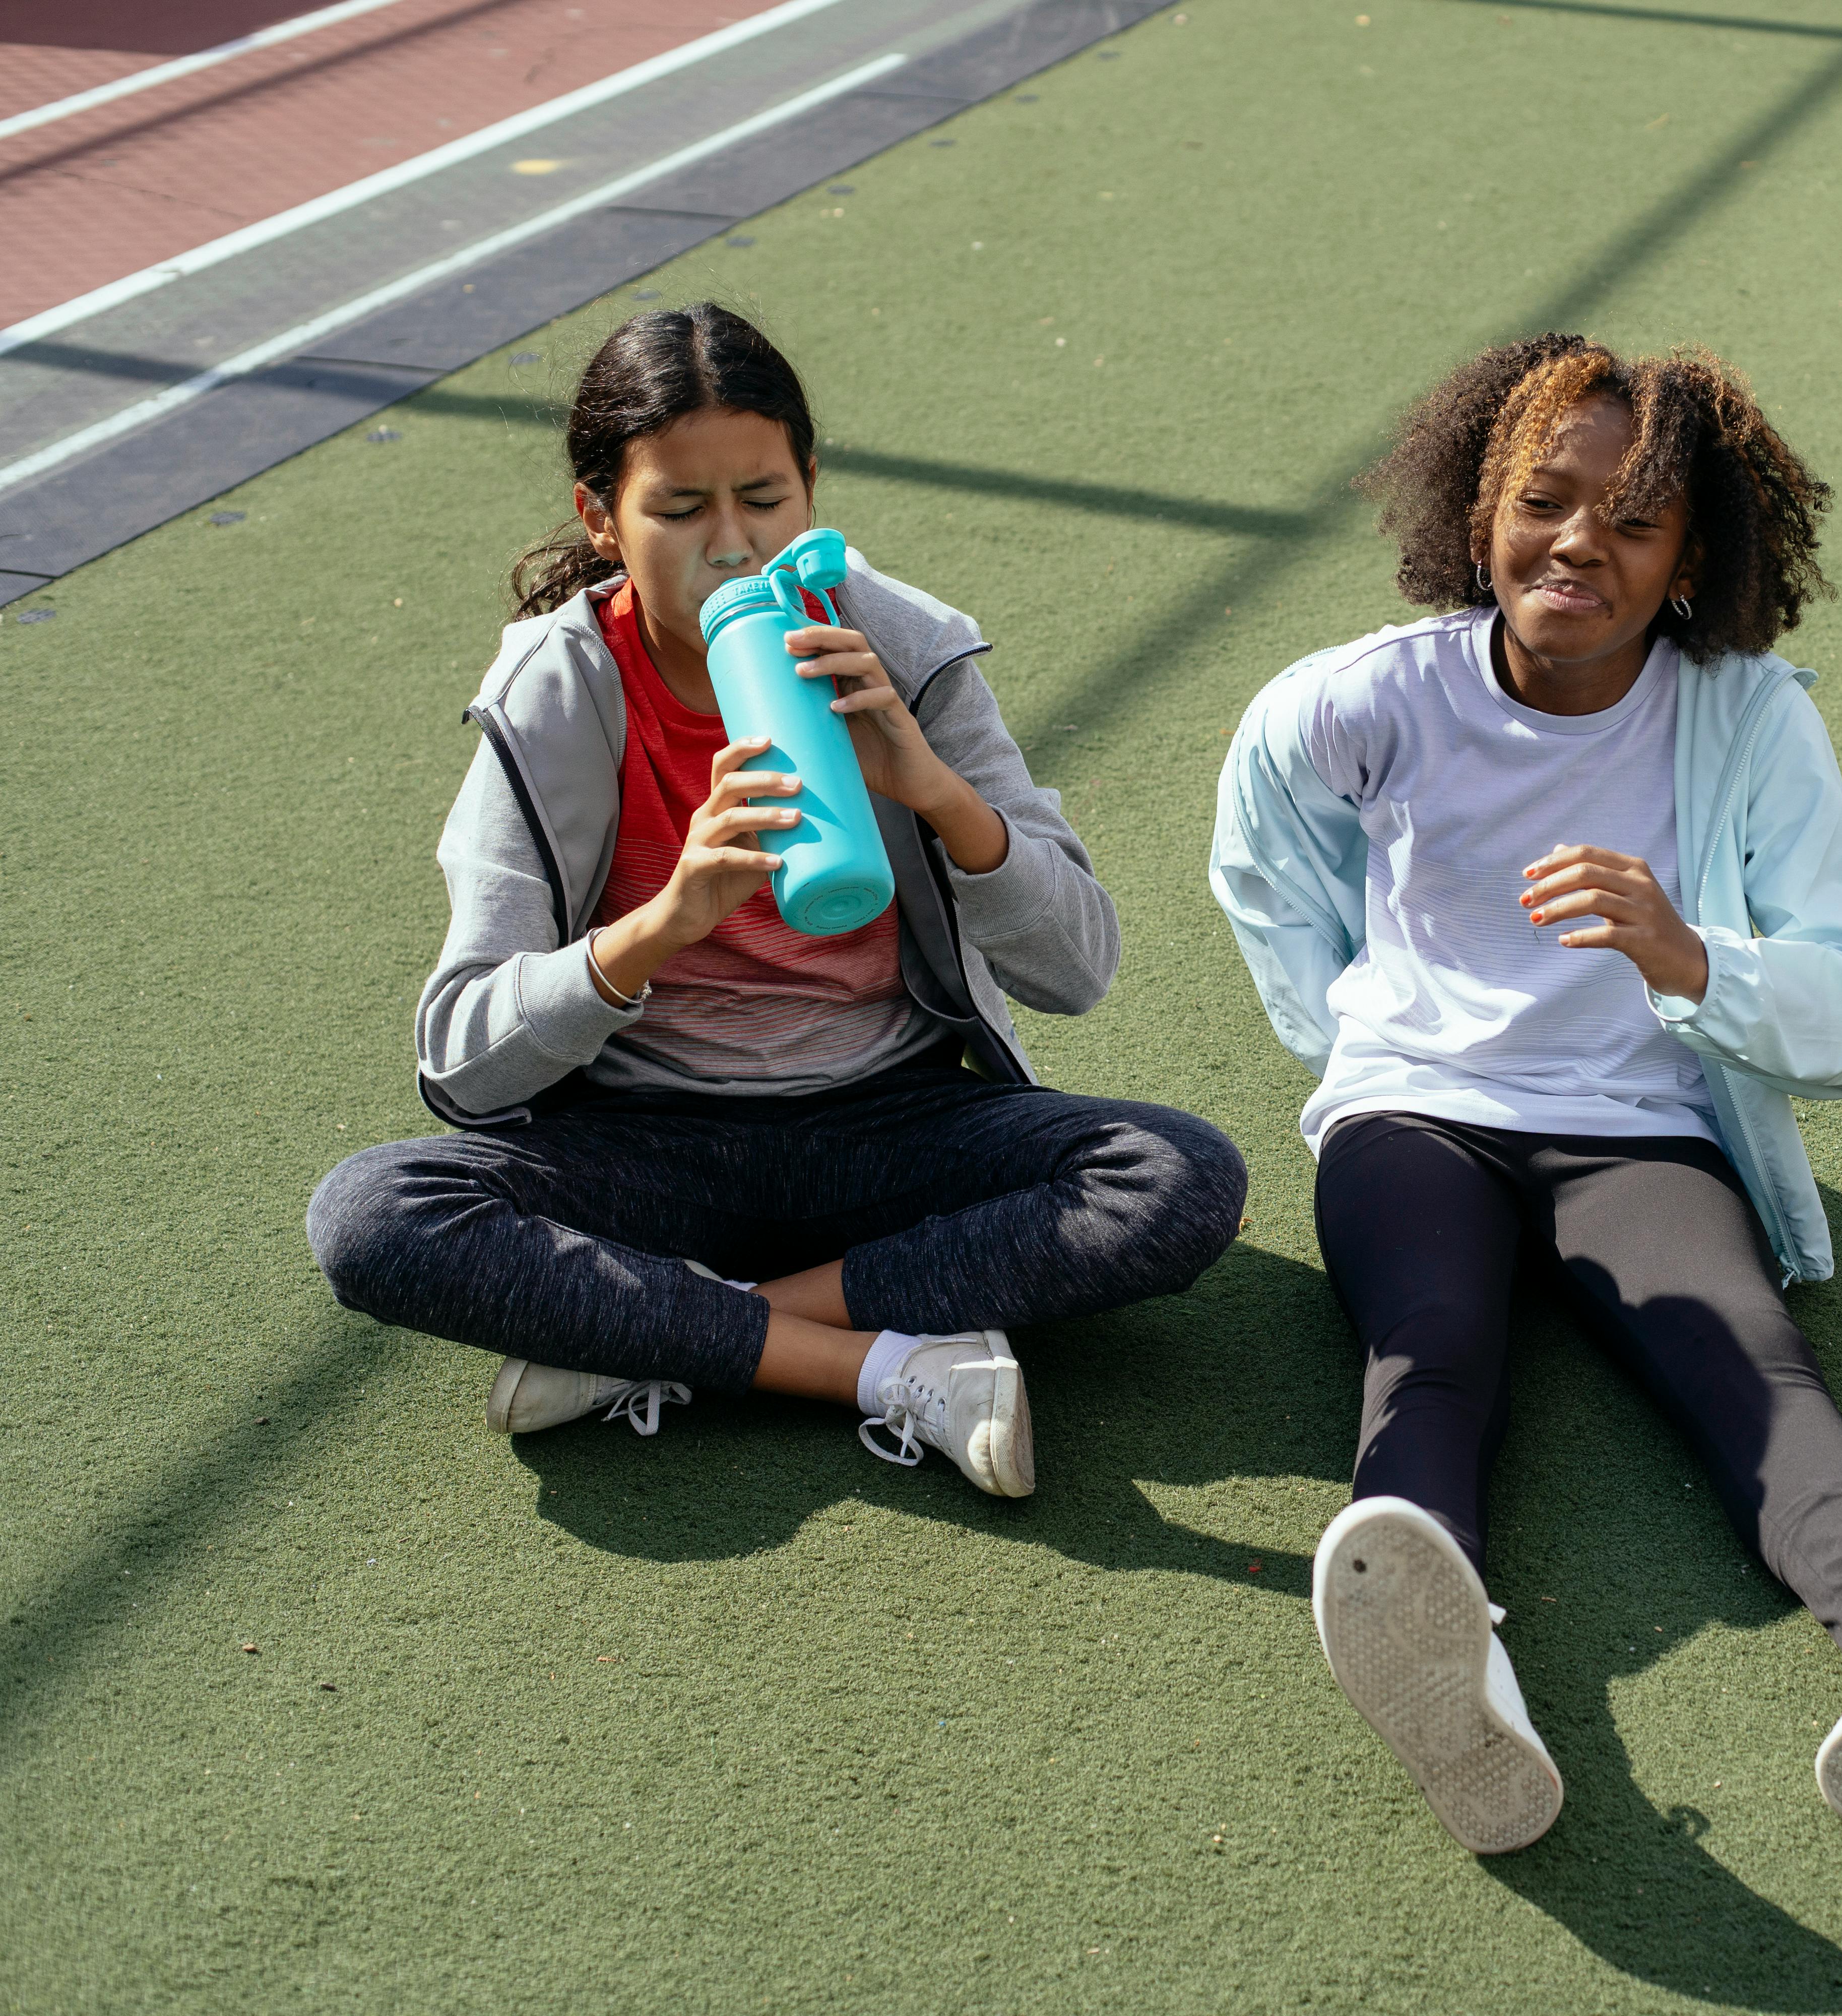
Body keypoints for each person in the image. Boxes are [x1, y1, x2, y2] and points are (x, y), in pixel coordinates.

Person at [1212, 335, 1842, 1851]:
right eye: (1544, 499)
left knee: (1754, 1369)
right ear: (1478, 508)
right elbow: (1265, 870)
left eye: (1635, 522)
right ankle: (1459, 1681)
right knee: (1428, 1352)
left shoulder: (1749, 719)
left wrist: (1692, 957)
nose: (1579, 542)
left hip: (1637, 1130)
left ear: (1694, 558)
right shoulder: (1356, 703)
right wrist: (1357, 1044)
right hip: (1414, 1117)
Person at [309, 303, 1244, 1495]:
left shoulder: (904, 654)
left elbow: (1078, 970)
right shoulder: (553, 691)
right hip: (646, 1145)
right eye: (681, 508)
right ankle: (881, 1365)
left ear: (813, 488)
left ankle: (671, 1331)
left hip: (889, 1124)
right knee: (372, 1214)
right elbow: (461, 1067)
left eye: (764, 497)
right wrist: (660, 925)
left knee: (1180, 1175)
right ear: (603, 518)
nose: (734, 544)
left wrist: (937, 791)